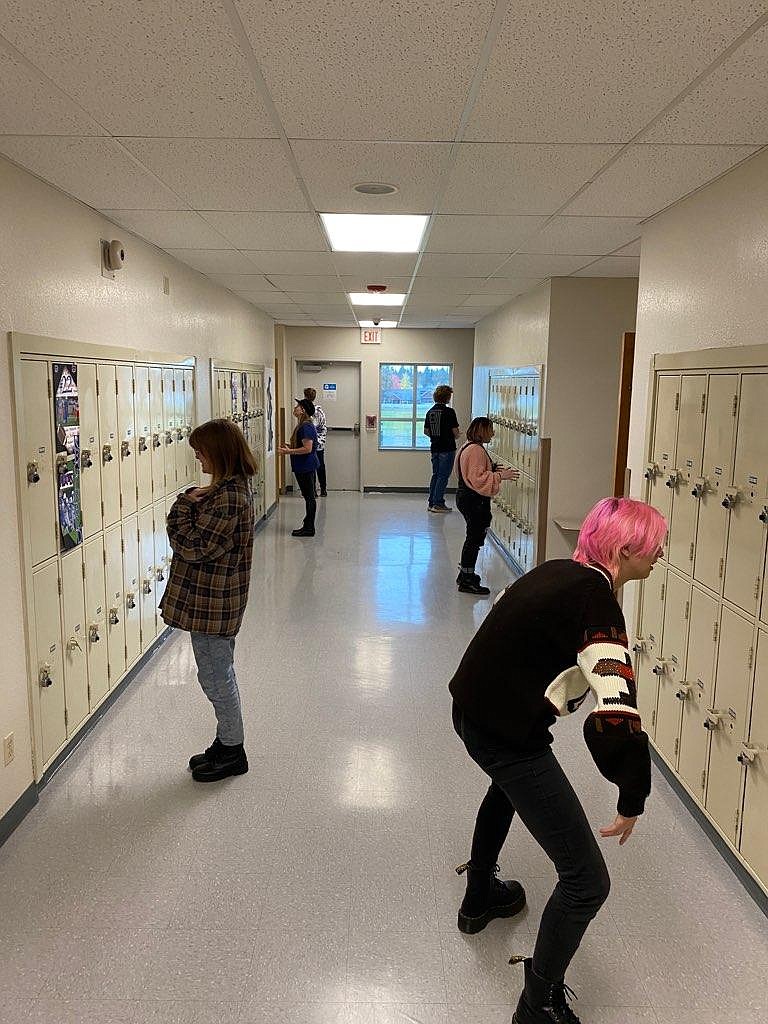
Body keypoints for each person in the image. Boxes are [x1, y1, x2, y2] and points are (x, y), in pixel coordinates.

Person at [449, 497, 666, 1024]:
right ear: (623, 550)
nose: (659, 555)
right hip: (506, 732)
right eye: (653, 547)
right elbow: (615, 711)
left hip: (472, 710)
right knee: (588, 881)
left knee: (506, 788)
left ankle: (479, 897)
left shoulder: (556, 571)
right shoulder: (597, 606)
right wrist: (632, 794)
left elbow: (500, 621)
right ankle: (538, 1002)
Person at [160, 418, 256, 783]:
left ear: (219, 451)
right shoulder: (224, 489)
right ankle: (226, 741)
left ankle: (233, 750)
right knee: (216, 673)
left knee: (217, 677)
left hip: (215, 604)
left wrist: (181, 506)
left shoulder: (229, 496)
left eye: (200, 450)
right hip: (211, 601)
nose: (197, 456)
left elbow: (195, 546)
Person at [455, 416, 519, 596]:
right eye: (490, 429)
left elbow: (474, 472)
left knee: (472, 537)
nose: (493, 433)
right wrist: (500, 476)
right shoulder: (475, 450)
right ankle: (467, 580)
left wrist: (493, 469)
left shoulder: (468, 446)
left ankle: (465, 574)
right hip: (473, 500)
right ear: (483, 431)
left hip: (466, 497)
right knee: (474, 539)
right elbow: (477, 479)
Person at [279, 398, 319, 537]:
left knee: (309, 497)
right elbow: (302, 446)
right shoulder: (302, 425)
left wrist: (288, 452)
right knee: (308, 496)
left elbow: (307, 449)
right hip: (304, 466)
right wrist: (290, 447)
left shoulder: (306, 426)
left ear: (303, 410)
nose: (295, 408)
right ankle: (307, 525)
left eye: (298, 406)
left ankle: (309, 528)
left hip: (306, 466)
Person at [424, 383, 460, 513]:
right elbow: (455, 432)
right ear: (447, 397)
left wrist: (436, 436)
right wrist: (456, 435)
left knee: (436, 475)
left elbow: (426, 431)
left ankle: (431, 502)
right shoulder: (449, 412)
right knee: (443, 476)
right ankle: (438, 503)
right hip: (447, 448)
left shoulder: (430, 412)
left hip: (435, 448)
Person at [304, 386, 328, 496]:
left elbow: (310, 427)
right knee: (320, 466)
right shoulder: (321, 411)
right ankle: (322, 489)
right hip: (319, 444)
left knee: (312, 467)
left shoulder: (310, 412)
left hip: (313, 444)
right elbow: (323, 427)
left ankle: (314, 490)